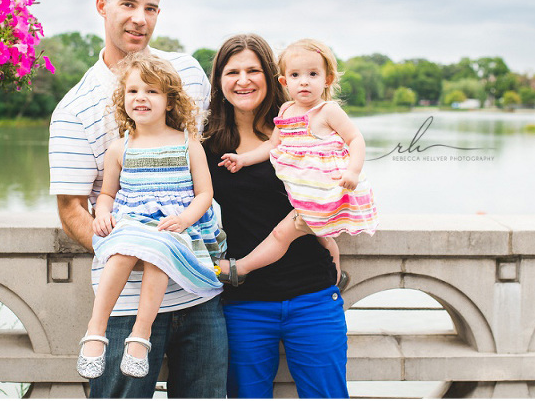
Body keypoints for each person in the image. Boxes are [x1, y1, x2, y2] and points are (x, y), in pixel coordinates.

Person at [49, 0, 226, 398]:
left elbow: (209, 160)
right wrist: (136, 248)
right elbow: (72, 207)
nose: (140, 18)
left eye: (151, 8)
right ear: (102, 6)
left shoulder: (187, 75)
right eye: (128, 4)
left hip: (198, 292)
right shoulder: (74, 109)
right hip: (125, 304)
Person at [203, 33, 349, 398]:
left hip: (312, 295)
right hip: (243, 303)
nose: (243, 79)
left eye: (253, 70)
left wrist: (323, 232)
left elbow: (339, 182)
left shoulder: (303, 128)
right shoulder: (206, 148)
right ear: (219, 81)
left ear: (271, 77)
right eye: (232, 71)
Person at [78, 52, 225, 380]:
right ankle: (95, 329)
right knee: (123, 249)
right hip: (132, 222)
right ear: (123, 99)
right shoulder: (121, 147)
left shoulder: (188, 144)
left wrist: (185, 219)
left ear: (170, 101)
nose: (140, 97)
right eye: (133, 91)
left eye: (151, 91)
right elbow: (107, 194)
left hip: (173, 225)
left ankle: (140, 336)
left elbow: (205, 193)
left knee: (160, 249)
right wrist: (101, 213)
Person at [216, 37, 378, 284]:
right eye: (295, 75)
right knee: (321, 238)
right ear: (284, 81)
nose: (304, 81)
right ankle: (335, 272)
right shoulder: (286, 111)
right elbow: (272, 145)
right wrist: (243, 159)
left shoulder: (327, 111)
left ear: (327, 79)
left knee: (283, 233)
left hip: (325, 191)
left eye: (313, 74)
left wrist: (353, 172)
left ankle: (241, 268)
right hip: (304, 189)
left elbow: (355, 139)